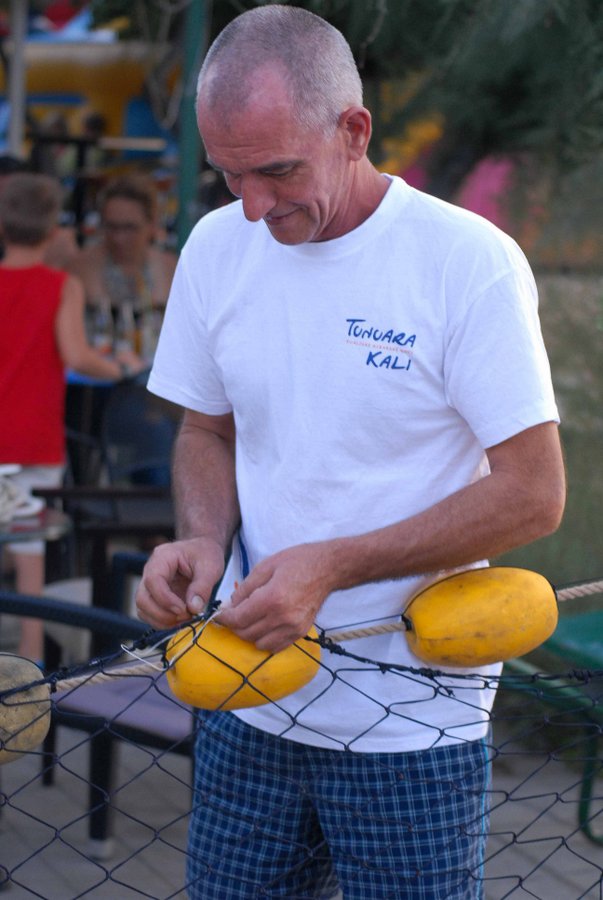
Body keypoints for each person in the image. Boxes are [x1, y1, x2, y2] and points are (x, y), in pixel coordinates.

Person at [135, 6, 566, 898]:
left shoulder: (465, 261)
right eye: (229, 176)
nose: (252, 207)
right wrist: (202, 541)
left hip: (410, 721)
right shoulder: (217, 246)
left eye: (276, 171)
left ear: (353, 129)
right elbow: (204, 429)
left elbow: (533, 495)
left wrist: (333, 564)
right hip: (246, 693)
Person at [0, 172, 144, 662]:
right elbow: (77, 355)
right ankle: (29, 676)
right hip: (33, 440)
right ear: (53, 229)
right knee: (30, 562)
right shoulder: (61, 286)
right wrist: (120, 366)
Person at [68, 172, 177, 360]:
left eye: (130, 228)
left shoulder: (171, 269)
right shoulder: (79, 268)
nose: (119, 238)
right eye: (112, 227)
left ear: (152, 225)